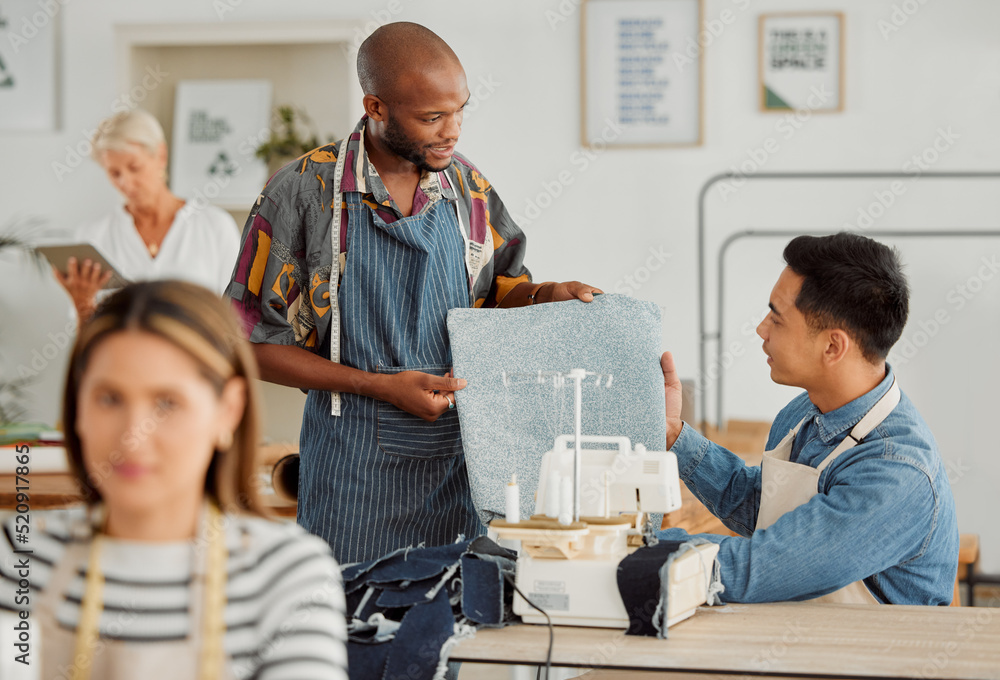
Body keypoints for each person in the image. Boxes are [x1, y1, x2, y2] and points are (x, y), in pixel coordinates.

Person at [225, 22, 602, 564]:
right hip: (351, 473)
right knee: (351, 627)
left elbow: (497, 294)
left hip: (458, 462)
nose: (453, 132)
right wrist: (380, 387)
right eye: (432, 118)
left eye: (459, 111)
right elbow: (250, 346)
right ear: (376, 107)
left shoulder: (467, 188)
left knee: (452, 621)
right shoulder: (304, 193)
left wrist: (546, 295)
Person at [0, 280, 347, 679]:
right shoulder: (21, 555)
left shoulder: (287, 575)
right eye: (109, 398)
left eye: (167, 403)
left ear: (228, 411)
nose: (134, 434)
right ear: (77, 408)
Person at [659, 232, 959, 605]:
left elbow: (761, 568)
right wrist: (675, 436)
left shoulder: (896, 470)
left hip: (875, 660)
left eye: (777, 318)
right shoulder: (803, 413)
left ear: (833, 346)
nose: (761, 329)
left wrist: (631, 548)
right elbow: (766, 509)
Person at [53, 109, 240, 321]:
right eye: (114, 173)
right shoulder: (93, 236)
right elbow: (90, 344)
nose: (125, 183)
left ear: (161, 155)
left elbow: (237, 321)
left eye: (134, 168)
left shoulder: (215, 226)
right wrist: (81, 303)